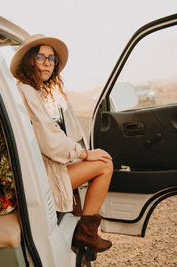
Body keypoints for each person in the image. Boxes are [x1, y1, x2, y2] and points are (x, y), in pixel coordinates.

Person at [10, 34, 113, 252]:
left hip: (42, 170)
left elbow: (50, 136)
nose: (47, 63)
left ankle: (84, 231)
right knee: (105, 164)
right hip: (41, 178)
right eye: (41, 57)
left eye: (52, 58)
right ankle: (85, 233)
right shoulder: (26, 91)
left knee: (101, 159)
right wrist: (84, 153)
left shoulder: (33, 91)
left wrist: (79, 153)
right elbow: (48, 140)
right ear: (29, 60)